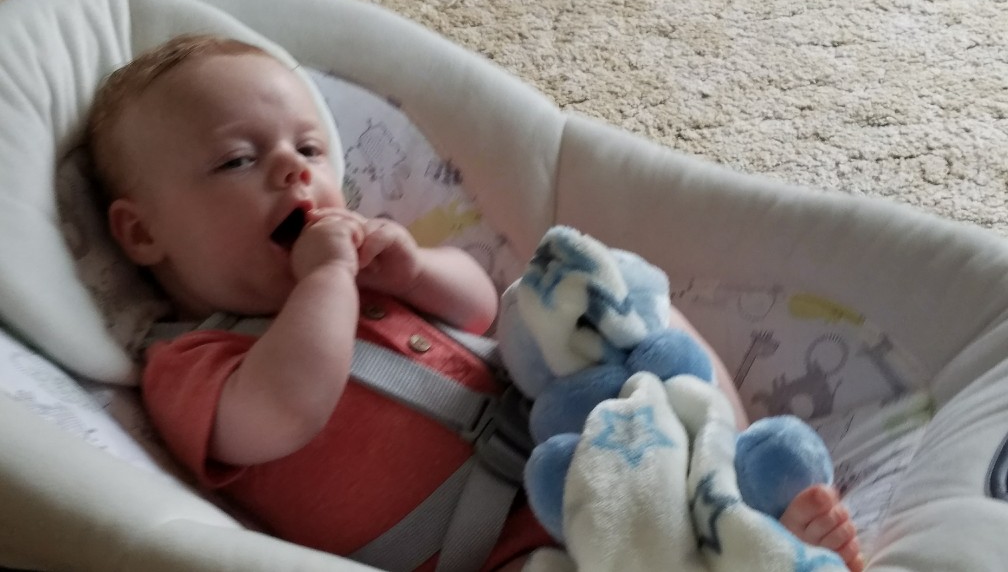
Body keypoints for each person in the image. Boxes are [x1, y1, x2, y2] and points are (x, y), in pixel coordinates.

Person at [86, 33, 863, 571]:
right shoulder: (188, 363)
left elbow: (485, 313)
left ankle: (730, 478)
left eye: (310, 149)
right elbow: (288, 408)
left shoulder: (361, 274)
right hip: (498, 548)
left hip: (603, 444)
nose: (294, 171)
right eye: (237, 160)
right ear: (142, 232)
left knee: (628, 302)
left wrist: (415, 270)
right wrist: (325, 281)